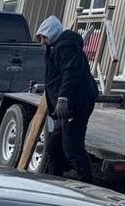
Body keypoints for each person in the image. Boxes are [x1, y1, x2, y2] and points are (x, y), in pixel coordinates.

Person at [35, 15, 98, 182]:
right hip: (69, 106)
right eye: (40, 38)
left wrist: (62, 98)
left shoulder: (66, 47)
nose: (42, 41)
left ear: (53, 34)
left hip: (76, 103)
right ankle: (54, 181)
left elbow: (71, 74)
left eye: (44, 37)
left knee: (73, 148)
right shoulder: (56, 47)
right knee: (53, 147)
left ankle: (88, 184)